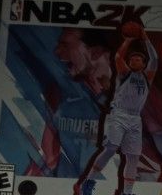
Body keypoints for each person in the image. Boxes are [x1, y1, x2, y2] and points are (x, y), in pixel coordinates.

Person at [73, 26, 158, 195]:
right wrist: (128, 41)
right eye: (132, 59)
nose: (134, 60)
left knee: (133, 157)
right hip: (119, 114)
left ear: (143, 64)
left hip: (135, 119)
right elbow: (119, 57)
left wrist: (146, 39)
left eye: (138, 59)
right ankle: (87, 182)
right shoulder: (125, 73)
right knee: (111, 148)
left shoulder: (147, 77)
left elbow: (155, 59)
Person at [34, 27, 114, 178]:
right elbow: (49, 153)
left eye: (65, 45)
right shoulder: (61, 97)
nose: (57, 51)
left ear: (95, 52)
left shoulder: (134, 95)